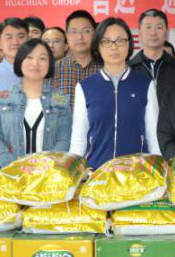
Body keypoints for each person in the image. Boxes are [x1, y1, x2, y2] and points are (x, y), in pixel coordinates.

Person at [68, 18, 160, 168]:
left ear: (129, 44)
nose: (114, 47)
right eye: (106, 41)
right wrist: (74, 173)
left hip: (136, 172)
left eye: (120, 41)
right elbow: (79, 139)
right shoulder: (85, 87)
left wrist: (159, 170)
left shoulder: (145, 84)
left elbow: (153, 136)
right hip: (96, 172)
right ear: (97, 47)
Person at [0, 39, 73, 168]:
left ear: (50, 64)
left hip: (48, 173)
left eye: (42, 58)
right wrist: (13, 167)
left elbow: (64, 139)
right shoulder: (3, 99)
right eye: (29, 57)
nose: (35, 63)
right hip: (12, 174)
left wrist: (45, 167)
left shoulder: (60, 99)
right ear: (20, 61)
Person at [129, 9, 175, 96]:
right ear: (139, 33)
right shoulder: (128, 69)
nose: (153, 33)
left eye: (159, 27)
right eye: (148, 27)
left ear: (167, 33)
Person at [52, 10, 100, 103]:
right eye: (74, 31)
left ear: (95, 33)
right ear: (66, 35)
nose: (79, 37)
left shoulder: (106, 68)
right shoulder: (53, 70)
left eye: (86, 31)